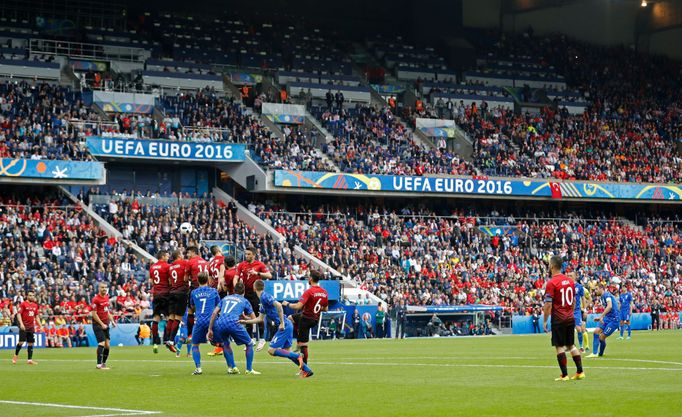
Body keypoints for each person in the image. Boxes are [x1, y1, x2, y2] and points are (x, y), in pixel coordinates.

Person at [240, 280, 314, 378]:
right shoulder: (263, 301)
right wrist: (246, 321)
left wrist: (282, 323)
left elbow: (279, 305)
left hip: (285, 326)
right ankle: (307, 370)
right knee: (287, 352)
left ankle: (298, 356)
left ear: (254, 288)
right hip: (287, 325)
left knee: (271, 350)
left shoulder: (264, 296)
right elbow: (259, 319)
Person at [543, 256, 584, 381]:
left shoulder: (551, 283)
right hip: (569, 317)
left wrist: (545, 320)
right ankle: (580, 372)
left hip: (558, 319)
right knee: (571, 345)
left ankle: (565, 375)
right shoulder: (570, 281)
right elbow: (573, 300)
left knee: (559, 346)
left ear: (552, 266)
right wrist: (570, 313)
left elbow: (548, 304)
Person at [207, 282, 259, 375]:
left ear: (234, 291)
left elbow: (214, 313)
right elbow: (254, 319)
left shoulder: (225, 298)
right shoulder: (244, 301)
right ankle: (249, 369)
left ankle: (232, 367)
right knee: (249, 343)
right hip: (234, 322)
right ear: (244, 291)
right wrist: (245, 318)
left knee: (225, 344)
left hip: (220, 323)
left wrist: (210, 329)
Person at [282, 270, 328, 366]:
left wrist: (287, 304)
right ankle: (298, 339)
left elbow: (298, 306)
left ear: (311, 279)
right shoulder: (324, 292)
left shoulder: (309, 292)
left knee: (304, 345)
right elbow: (325, 309)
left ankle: (304, 368)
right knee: (290, 318)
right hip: (314, 319)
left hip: (306, 319)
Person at [236, 246, 272, 351]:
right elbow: (237, 277)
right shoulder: (242, 265)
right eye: (246, 254)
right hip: (246, 295)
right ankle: (250, 339)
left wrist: (258, 273)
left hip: (256, 295)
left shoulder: (259, 265)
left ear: (254, 255)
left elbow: (269, 275)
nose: (246, 256)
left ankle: (261, 339)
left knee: (259, 316)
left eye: (248, 254)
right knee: (248, 316)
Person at [188, 272, 220, 375]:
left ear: (197, 280)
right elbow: (218, 306)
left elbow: (192, 307)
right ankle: (231, 367)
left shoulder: (193, 292)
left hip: (200, 321)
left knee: (195, 345)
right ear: (208, 280)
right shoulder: (214, 291)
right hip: (212, 320)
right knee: (224, 343)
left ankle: (198, 368)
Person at [586, 284, 620, 358]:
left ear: (601, 288)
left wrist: (601, 316)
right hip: (607, 318)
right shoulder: (602, 297)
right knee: (596, 332)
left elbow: (610, 306)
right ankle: (594, 353)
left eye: (596, 289)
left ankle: (600, 353)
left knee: (601, 337)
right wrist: (602, 317)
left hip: (614, 320)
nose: (595, 291)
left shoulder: (607, 295)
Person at [166, 250, 189, 352]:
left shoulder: (170, 267)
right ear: (179, 255)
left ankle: (167, 339)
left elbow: (170, 281)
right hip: (181, 293)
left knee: (171, 317)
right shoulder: (184, 263)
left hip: (172, 292)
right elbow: (185, 278)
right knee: (178, 318)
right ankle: (171, 340)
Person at [91, 282, 117, 370]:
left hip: (106, 323)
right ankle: (98, 365)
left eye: (105, 287)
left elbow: (107, 311)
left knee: (107, 345)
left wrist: (112, 321)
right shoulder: (95, 299)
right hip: (97, 324)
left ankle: (103, 363)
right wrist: (101, 324)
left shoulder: (106, 297)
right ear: (99, 288)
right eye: (102, 287)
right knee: (101, 342)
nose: (104, 289)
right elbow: (94, 314)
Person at [186, 246, 209, 342]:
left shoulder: (190, 262)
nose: (187, 255)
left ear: (192, 252)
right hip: (206, 289)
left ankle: (190, 334)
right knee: (206, 312)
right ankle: (207, 336)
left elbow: (185, 279)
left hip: (195, 288)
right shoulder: (205, 262)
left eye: (188, 253)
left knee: (191, 311)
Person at [149, 250, 170, 353]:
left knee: (156, 319)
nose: (168, 257)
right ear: (162, 256)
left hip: (156, 295)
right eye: (167, 255)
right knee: (169, 318)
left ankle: (155, 343)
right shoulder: (167, 266)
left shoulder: (152, 267)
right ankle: (168, 340)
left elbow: (151, 281)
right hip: (165, 294)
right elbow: (170, 281)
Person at [13, 291, 39, 365]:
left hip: (31, 327)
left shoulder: (35, 305)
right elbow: (18, 314)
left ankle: (29, 360)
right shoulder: (23, 304)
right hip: (24, 326)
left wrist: (40, 325)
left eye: (33, 295)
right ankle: (15, 355)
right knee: (21, 342)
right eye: (30, 295)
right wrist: (21, 324)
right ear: (27, 296)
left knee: (30, 343)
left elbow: (36, 316)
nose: (32, 297)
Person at [571, 272, 589, 352]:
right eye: (568, 275)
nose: (569, 277)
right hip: (568, 310)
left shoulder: (579, 286)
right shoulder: (566, 286)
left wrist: (584, 310)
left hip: (577, 310)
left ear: (575, 277)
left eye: (570, 275)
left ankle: (581, 346)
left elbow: (583, 298)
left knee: (578, 329)